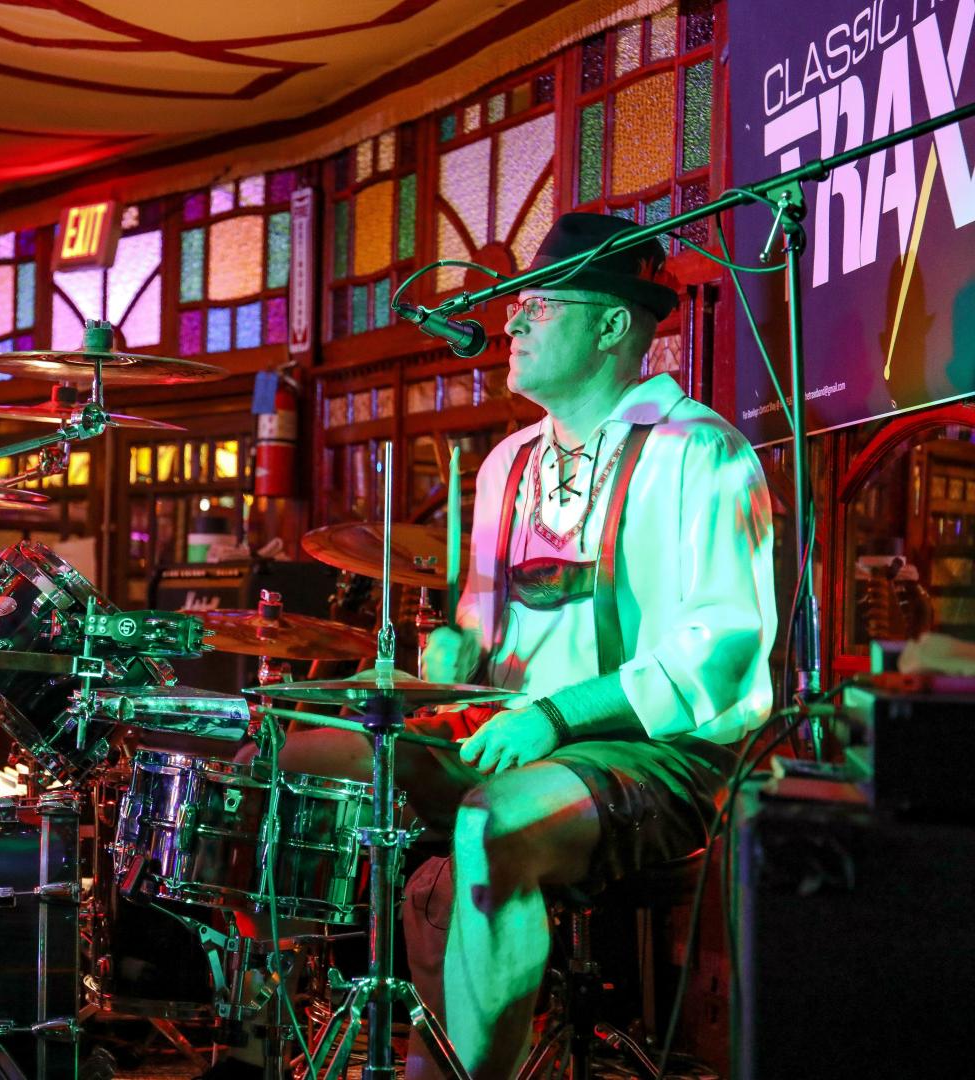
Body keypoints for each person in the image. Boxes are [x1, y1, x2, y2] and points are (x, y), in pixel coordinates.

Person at [250, 212, 776, 1080]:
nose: (513, 324)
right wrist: (458, 652)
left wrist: (561, 715)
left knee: (491, 825)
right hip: (508, 734)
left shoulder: (702, 453)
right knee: (280, 756)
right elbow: (484, 633)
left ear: (612, 324)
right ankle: (269, 1037)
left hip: (661, 756)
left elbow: (715, 654)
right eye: (515, 308)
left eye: (537, 306)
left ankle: (459, 1073)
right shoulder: (507, 465)